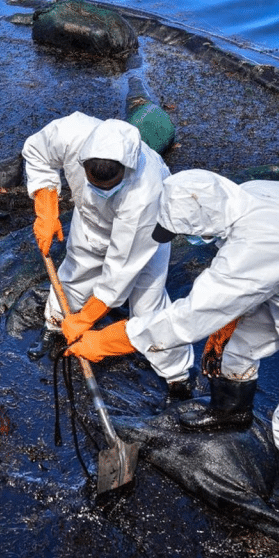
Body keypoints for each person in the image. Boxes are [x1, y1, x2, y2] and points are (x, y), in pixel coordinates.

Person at [65, 169, 279, 513]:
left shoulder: (255, 247)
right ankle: (231, 411)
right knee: (233, 348)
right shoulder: (253, 191)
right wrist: (237, 307)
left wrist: (107, 341)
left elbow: (187, 319)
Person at [23, 112, 195, 398]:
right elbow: (38, 150)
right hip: (91, 221)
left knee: (148, 301)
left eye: (110, 185)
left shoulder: (146, 192)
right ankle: (54, 325)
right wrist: (45, 204)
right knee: (75, 273)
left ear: (126, 170)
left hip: (146, 236)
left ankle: (175, 373)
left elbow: (121, 270)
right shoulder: (72, 133)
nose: (101, 189)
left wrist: (88, 318)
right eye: (93, 180)